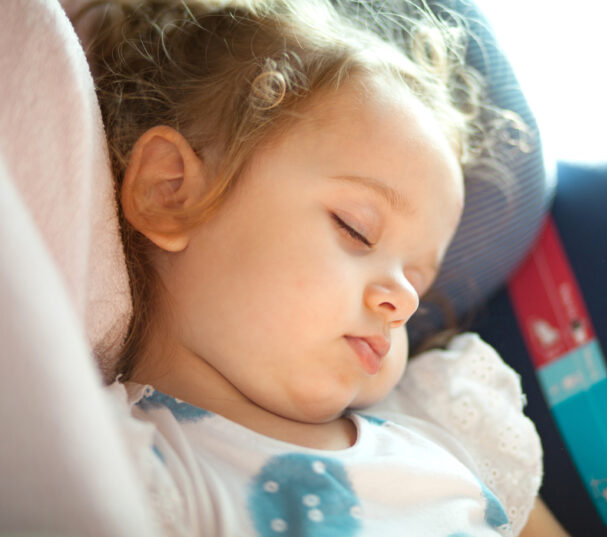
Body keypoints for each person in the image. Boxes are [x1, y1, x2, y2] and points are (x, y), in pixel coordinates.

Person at [80, 0, 569, 535]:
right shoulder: (125, 469)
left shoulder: (442, 424)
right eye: (355, 229)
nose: (403, 302)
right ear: (170, 192)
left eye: (420, 286)